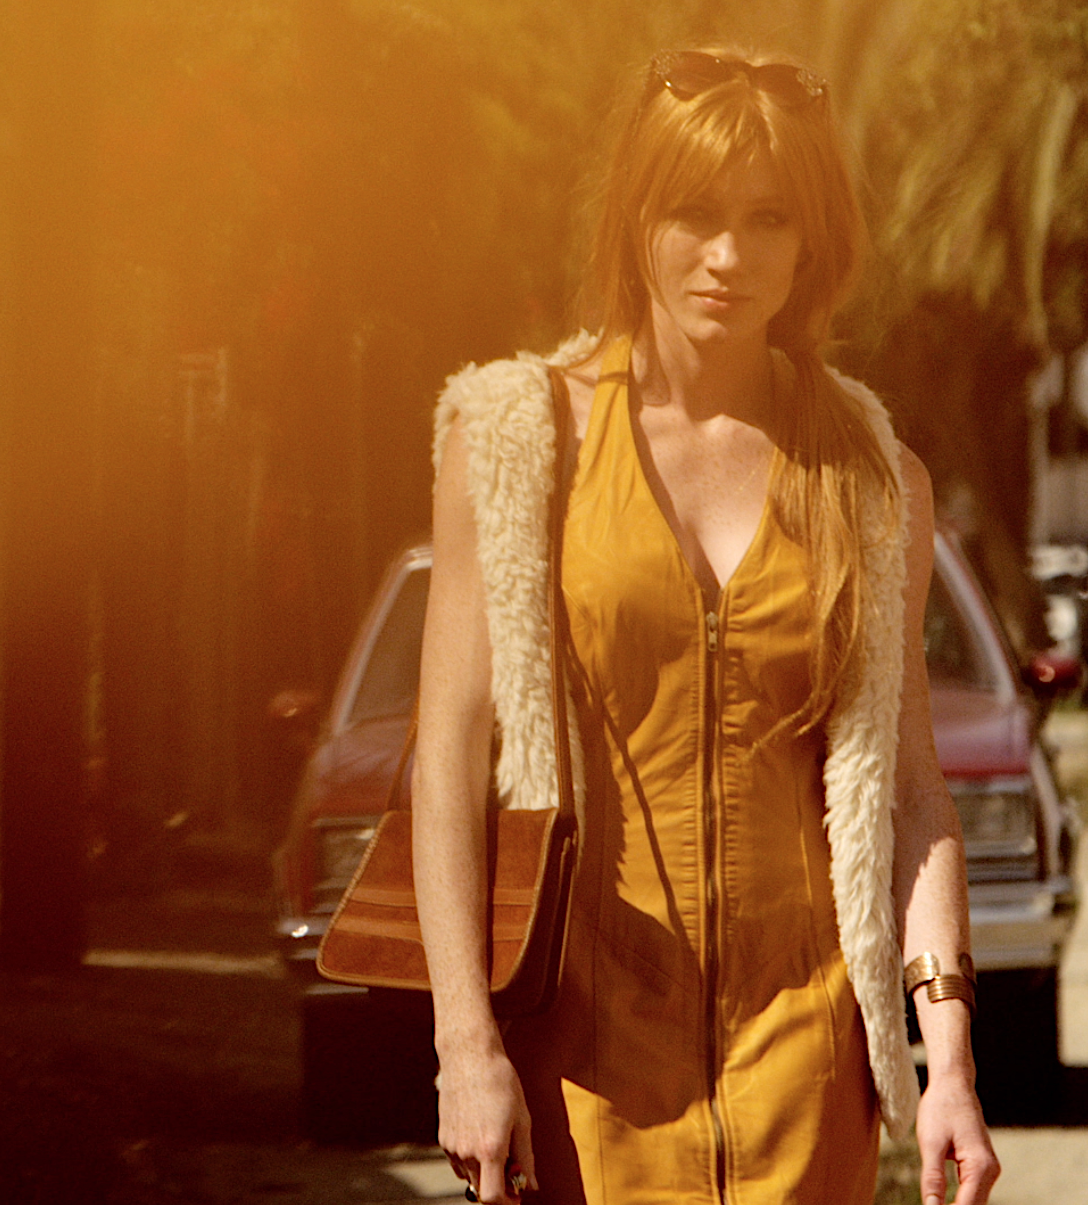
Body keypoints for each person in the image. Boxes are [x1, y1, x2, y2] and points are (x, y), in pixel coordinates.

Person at [411, 47, 1000, 1205]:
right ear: (635, 215)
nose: (728, 255)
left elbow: (909, 789)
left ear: (810, 238)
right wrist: (463, 1045)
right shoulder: (514, 439)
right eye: (693, 212)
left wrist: (949, 1064)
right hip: (582, 1067)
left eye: (766, 217)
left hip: (805, 1071)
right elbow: (446, 761)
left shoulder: (872, 475)